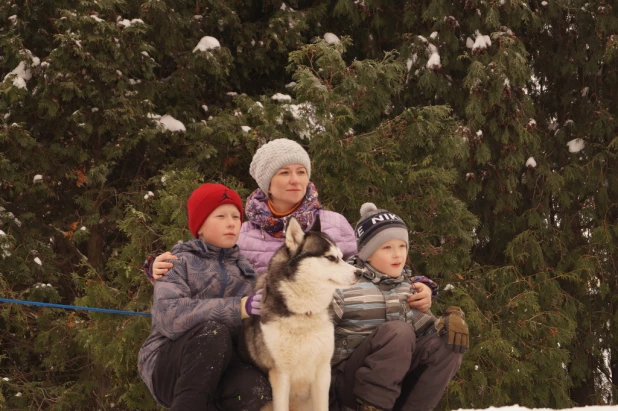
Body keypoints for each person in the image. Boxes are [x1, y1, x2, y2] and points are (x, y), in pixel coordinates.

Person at [145, 139, 436, 312]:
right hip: (269, 335)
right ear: (267, 184)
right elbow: (204, 265)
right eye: (284, 172)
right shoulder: (242, 234)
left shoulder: (334, 224)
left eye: (301, 171)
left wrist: (417, 285)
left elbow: (375, 264)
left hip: (336, 329)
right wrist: (158, 267)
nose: (295, 179)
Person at [137, 183, 271, 411]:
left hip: (224, 366)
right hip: (170, 365)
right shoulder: (177, 262)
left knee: (256, 388)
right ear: (200, 226)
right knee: (213, 333)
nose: (231, 223)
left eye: (236, 217)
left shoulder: (247, 272)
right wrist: (237, 308)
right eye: (220, 216)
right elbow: (170, 318)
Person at [330, 203, 469, 411]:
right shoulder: (344, 287)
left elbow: (428, 336)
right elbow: (313, 338)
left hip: (394, 386)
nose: (398, 255)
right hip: (347, 386)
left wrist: (450, 320)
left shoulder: (409, 288)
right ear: (366, 253)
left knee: (448, 343)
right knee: (399, 332)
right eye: (387, 247)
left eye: (402, 246)